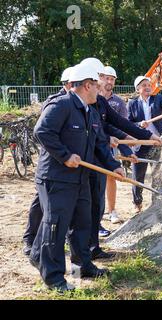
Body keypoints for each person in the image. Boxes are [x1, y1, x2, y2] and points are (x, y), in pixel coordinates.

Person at [30, 63, 124, 292]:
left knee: (83, 222)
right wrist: (64, 156)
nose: (100, 91)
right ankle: (54, 277)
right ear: (87, 85)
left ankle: (83, 264)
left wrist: (115, 166)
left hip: (80, 178)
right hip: (57, 178)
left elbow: (100, 143)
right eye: (97, 86)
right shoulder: (62, 105)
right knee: (56, 225)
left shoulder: (90, 111)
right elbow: (42, 131)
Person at [80, 58, 156, 260]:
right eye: (100, 80)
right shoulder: (70, 105)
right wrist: (115, 142)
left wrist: (145, 137)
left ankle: (92, 248)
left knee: (96, 202)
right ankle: (79, 252)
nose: (104, 84)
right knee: (82, 205)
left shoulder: (101, 102)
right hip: (81, 162)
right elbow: (95, 133)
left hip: (99, 156)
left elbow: (116, 124)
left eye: (110, 79)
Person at [22, 66, 72, 256]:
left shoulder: (77, 102)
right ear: (68, 84)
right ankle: (30, 239)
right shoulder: (55, 102)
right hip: (51, 162)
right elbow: (44, 133)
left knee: (56, 207)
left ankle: (57, 239)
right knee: (41, 204)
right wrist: (64, 154)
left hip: (65, 163)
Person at [127, 76, 162, 212]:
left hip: (157, 142)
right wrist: (139, 124)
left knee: (157, 172)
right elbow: (127, 123)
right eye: (144, 85)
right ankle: (137, 203)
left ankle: (157, 201)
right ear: (138, 89)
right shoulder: (132, 104)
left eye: (149, 84)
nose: (148, 87)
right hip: (141, 143)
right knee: (138, 176)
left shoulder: (158, 99)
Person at [101, 66, 128, 225]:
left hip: (111, 146)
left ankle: (112, 211)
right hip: (96, 143)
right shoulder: (92, 97)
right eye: (107, 78)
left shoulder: (118, 102)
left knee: (111, 176)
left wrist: (126, 150)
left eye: (112, 79)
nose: (110, 81)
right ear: (100, 78)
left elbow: (123, 128)